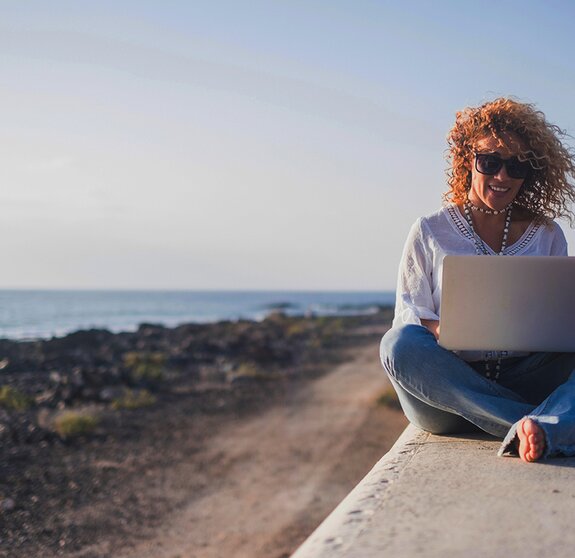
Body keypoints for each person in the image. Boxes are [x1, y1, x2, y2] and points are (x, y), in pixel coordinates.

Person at [379, 98, 575, 463]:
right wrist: (452, 330)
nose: (502, 176)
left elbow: (558, 321)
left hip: (526, 375)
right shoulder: (429, 231)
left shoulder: (547, 235)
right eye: (491, 162)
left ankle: (541, 425)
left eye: (516, 166)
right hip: (448, 394)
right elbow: (410, 314)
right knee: (397, 345)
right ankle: (541, 422)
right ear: (468, 159)